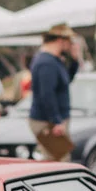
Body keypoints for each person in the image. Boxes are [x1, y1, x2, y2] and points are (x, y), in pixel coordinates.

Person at [28, 24, 76, 162]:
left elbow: (66, 81)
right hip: (47, 122)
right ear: (60, 40)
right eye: (69, 41)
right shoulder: (46, 63)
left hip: (53, 120)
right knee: (59, 161)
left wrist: (74, 61)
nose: (71, 45)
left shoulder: (54, 60)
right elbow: (47, 94)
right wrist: (56, 121)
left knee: (59, 159)